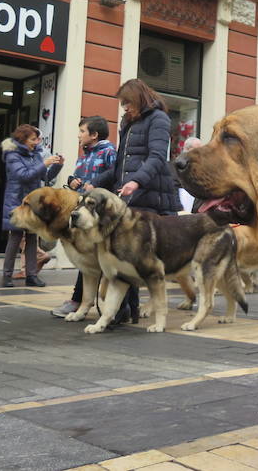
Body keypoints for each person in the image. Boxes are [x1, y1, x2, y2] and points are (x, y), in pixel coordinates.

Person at [93, 79, 182, 323]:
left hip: (150, 196)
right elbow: (121, 163)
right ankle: (126, 310)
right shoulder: (127, 123)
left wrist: (137, 182)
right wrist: (97, 182)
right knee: (124, 254)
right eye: (122, 104)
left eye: (127, 103)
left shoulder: (159, 119)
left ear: (139, 98)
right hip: (130, 196)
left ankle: (122, 310)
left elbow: (157, 157)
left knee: (130, 254)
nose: (124, 108)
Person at [51, 115, 116, 318]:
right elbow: (77, 175)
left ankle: (79, 300)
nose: (78, 135)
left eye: (82, 131)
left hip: (99, 217)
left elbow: (115, 174)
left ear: (94, 135)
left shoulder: (109, 152)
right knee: (88, 259)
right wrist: (73, 181)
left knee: (93, 259)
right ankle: (81, 300)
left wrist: (95, 183)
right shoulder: (84, 154)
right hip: (82, 214)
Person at [0, 124, 62, 287]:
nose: (37, 142)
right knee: (15, 238)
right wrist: (44, 163)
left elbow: (45, 177)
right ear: (23, 139)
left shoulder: (35, 155)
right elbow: (23, 175)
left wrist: (57, 165)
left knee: (33, 238)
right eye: (33, 139)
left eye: (37, 139)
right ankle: (7, 275)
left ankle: (31, 276)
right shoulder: (12, 155)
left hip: (33, 203)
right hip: (17, 203)